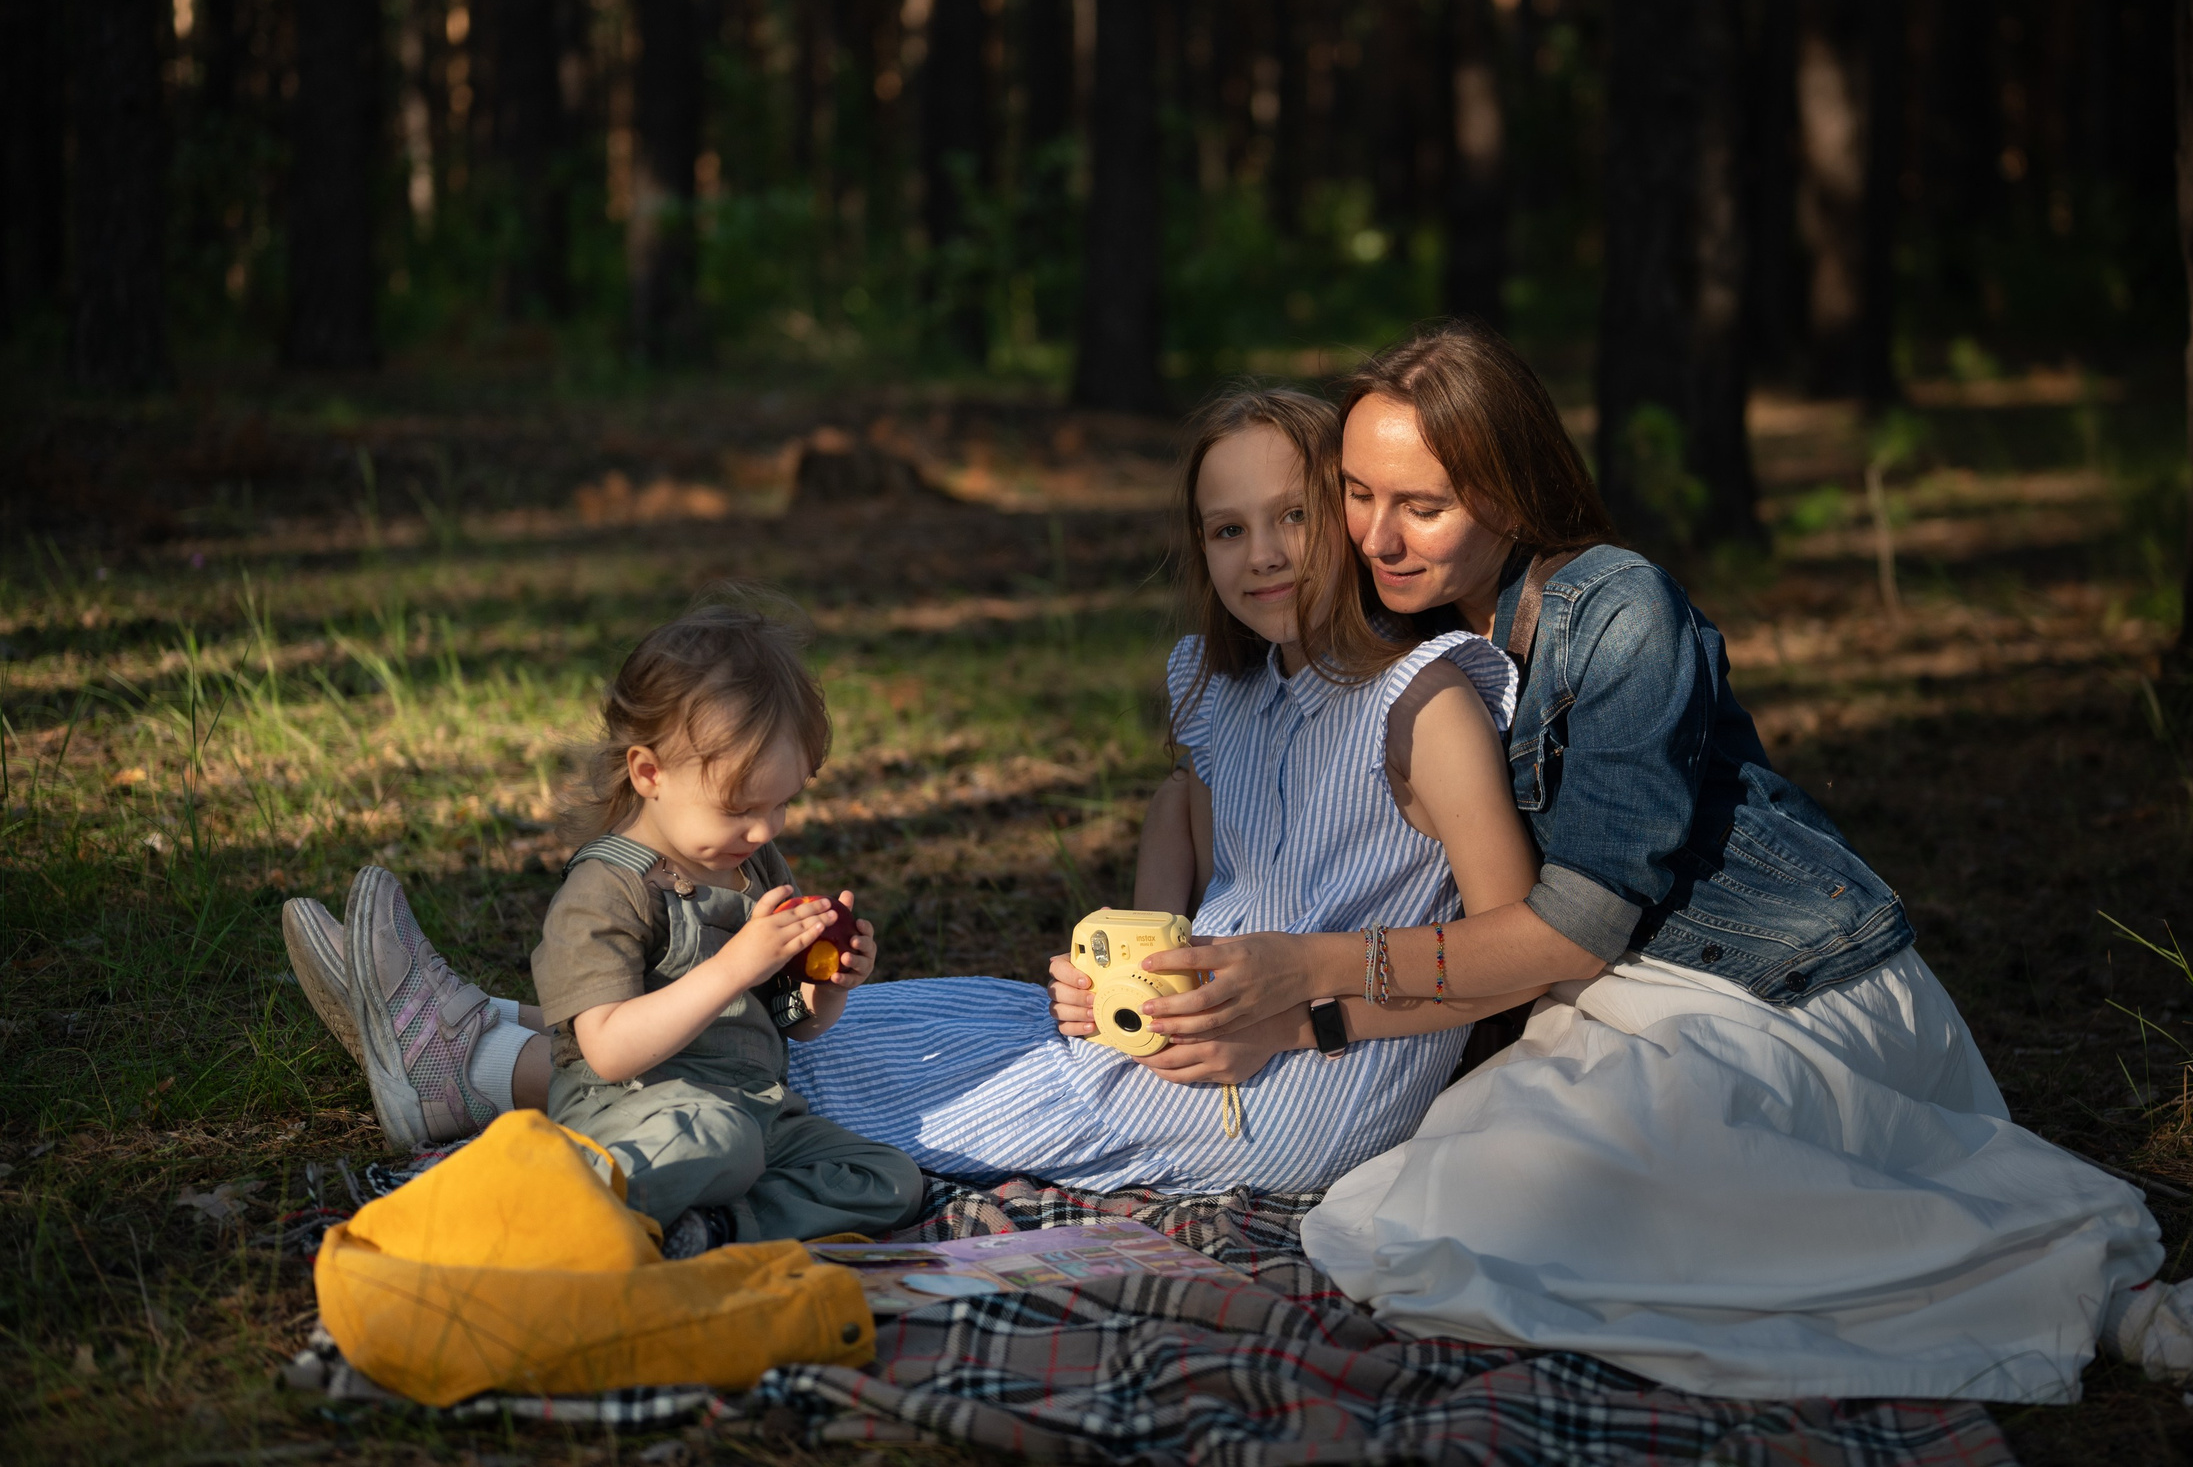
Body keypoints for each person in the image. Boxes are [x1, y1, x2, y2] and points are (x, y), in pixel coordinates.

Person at [1126, 323, 2193, 1416]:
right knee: (1428, 1214)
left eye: (1424, 503)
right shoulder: (1405, 628)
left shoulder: (1617, 613)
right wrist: (1252, 989)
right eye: (1355, 494)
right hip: (1583, 1006)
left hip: (1763, 982)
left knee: (1663, 1162)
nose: (1376, 536)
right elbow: (1242, 793)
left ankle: (2125, 1302)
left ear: (1507, 496)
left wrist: (1308, 986)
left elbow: (1568, 929)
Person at [287, 388, 1550, 1197]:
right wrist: (1138, 941)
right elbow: (1191, 806)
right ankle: (520, 1025)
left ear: (1338, 515)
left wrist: (1302, 1012)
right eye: (1227, 529)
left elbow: (1512, 949)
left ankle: (480, 1055)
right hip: (1194, 1025)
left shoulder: (1422, 702)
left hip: (1299, 1084)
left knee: (812, 1073)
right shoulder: (1242, 684)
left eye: (1290, 516)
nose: (1262, 553)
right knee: (930, 1011)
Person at [322, 593, 925, 1256]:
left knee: (889, 1179)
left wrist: (821, 989)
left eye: (783, 802)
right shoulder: (606, 889)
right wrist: (734, 964)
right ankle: (540, 1219)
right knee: (717, 1139)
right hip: (638, 1109)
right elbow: (606, 1049)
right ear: (649, 773)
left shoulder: (751, 861)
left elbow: (781, 1017)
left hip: (760, 1112)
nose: (765, 828)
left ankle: (708, 1230)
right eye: (741, 806)